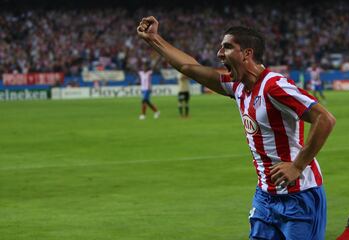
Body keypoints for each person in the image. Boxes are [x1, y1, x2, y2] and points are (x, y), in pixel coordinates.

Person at [137, 16, 336, 239]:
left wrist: (297, 165)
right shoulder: (237, 86)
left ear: (247, 53)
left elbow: (325, 119)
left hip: (299, 196)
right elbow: (189, 67)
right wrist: (154, 39)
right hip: (265, 196)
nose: (219, 53)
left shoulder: (274, 86)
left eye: (227, 47)